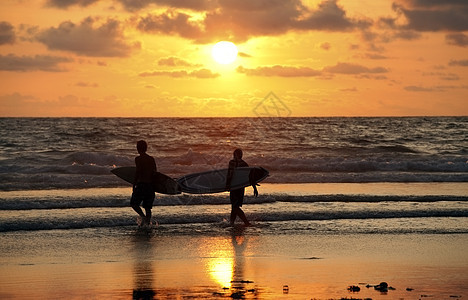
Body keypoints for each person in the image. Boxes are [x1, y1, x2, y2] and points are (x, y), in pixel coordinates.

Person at [225, 148, 258, 226]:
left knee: (235, 207)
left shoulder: (232, 162)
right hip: (240, 187)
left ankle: (246, 222)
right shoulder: (244, 164)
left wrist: (227, 185)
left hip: (234, 187)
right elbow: (250, 177)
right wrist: (254, 188)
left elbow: (229, 175)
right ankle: (231, 223)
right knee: (234, 206)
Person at [131, 140, 157, 226]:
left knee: (134, 204)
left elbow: (138, 172)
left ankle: (143, 217)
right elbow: (155, 173)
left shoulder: (138, 159)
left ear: (138, 148)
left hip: (141, 185)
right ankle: (147, 224)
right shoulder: (151, 159)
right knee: (147, 207)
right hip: (150, 186)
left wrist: (134, 184)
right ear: (146, 148)